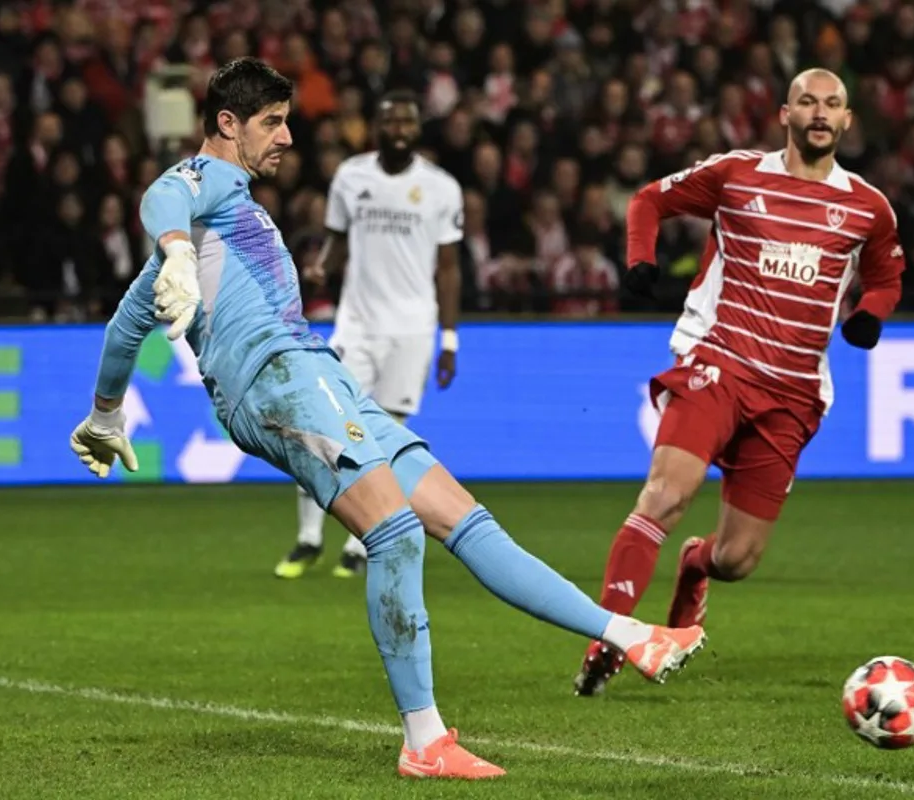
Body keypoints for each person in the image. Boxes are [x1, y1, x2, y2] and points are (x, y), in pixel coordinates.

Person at [66, 58, 705, 778]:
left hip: (318, 374)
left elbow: (126, 326)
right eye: (272, 122)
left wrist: (106, 413)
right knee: (394, 534)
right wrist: (177, 247)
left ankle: (630, 634)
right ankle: (425, 741)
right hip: (280, 380)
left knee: (463, 519)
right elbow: (163, 193)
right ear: (227, 124)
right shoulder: (207, 185)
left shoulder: (217, 217)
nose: (286, 138)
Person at [572, 68, 904, 697]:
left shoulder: (868, 206)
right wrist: (641, 257)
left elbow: (886, 277)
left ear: (848, 120)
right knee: (664, 497)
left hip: (795, 391)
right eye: (808, 101)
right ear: (785, 112)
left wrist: (869, 316)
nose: (820, 113)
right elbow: (650, 199)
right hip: (717, 362)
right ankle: (613, 632)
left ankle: (695, 569)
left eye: (833, 104)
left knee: (737, 560)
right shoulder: (736, 174)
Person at [278, 90, 464, 580]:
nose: (399, 130)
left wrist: (449, 338)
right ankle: (307, 537)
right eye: (390, 122)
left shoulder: (441, 187)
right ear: (376, 129)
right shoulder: (351, 176)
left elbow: (448, 268)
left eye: (407, 121)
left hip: (412, 329)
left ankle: (359, 544)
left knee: (383, 444)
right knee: (321, 429)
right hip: (356, 324)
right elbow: (339, 240)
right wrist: (321, 269)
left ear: (417, 129)